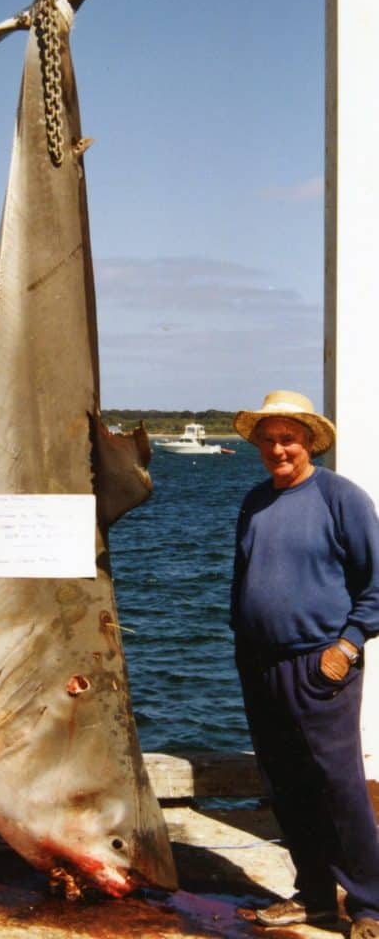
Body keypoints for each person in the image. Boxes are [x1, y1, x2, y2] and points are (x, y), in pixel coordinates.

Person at [230, 390, 379, 938]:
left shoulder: (342, 497)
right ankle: (313, 897)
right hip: (260, 665)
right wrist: (244, 649)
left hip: (323, 666)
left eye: (288, 438)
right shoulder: (254, 501)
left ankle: (369, 905)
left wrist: (348, 646)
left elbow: (376, 585)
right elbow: (242, 581)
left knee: (338, 786)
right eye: (268, 440)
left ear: (309, 441)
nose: (278, 449)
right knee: (286, 785)